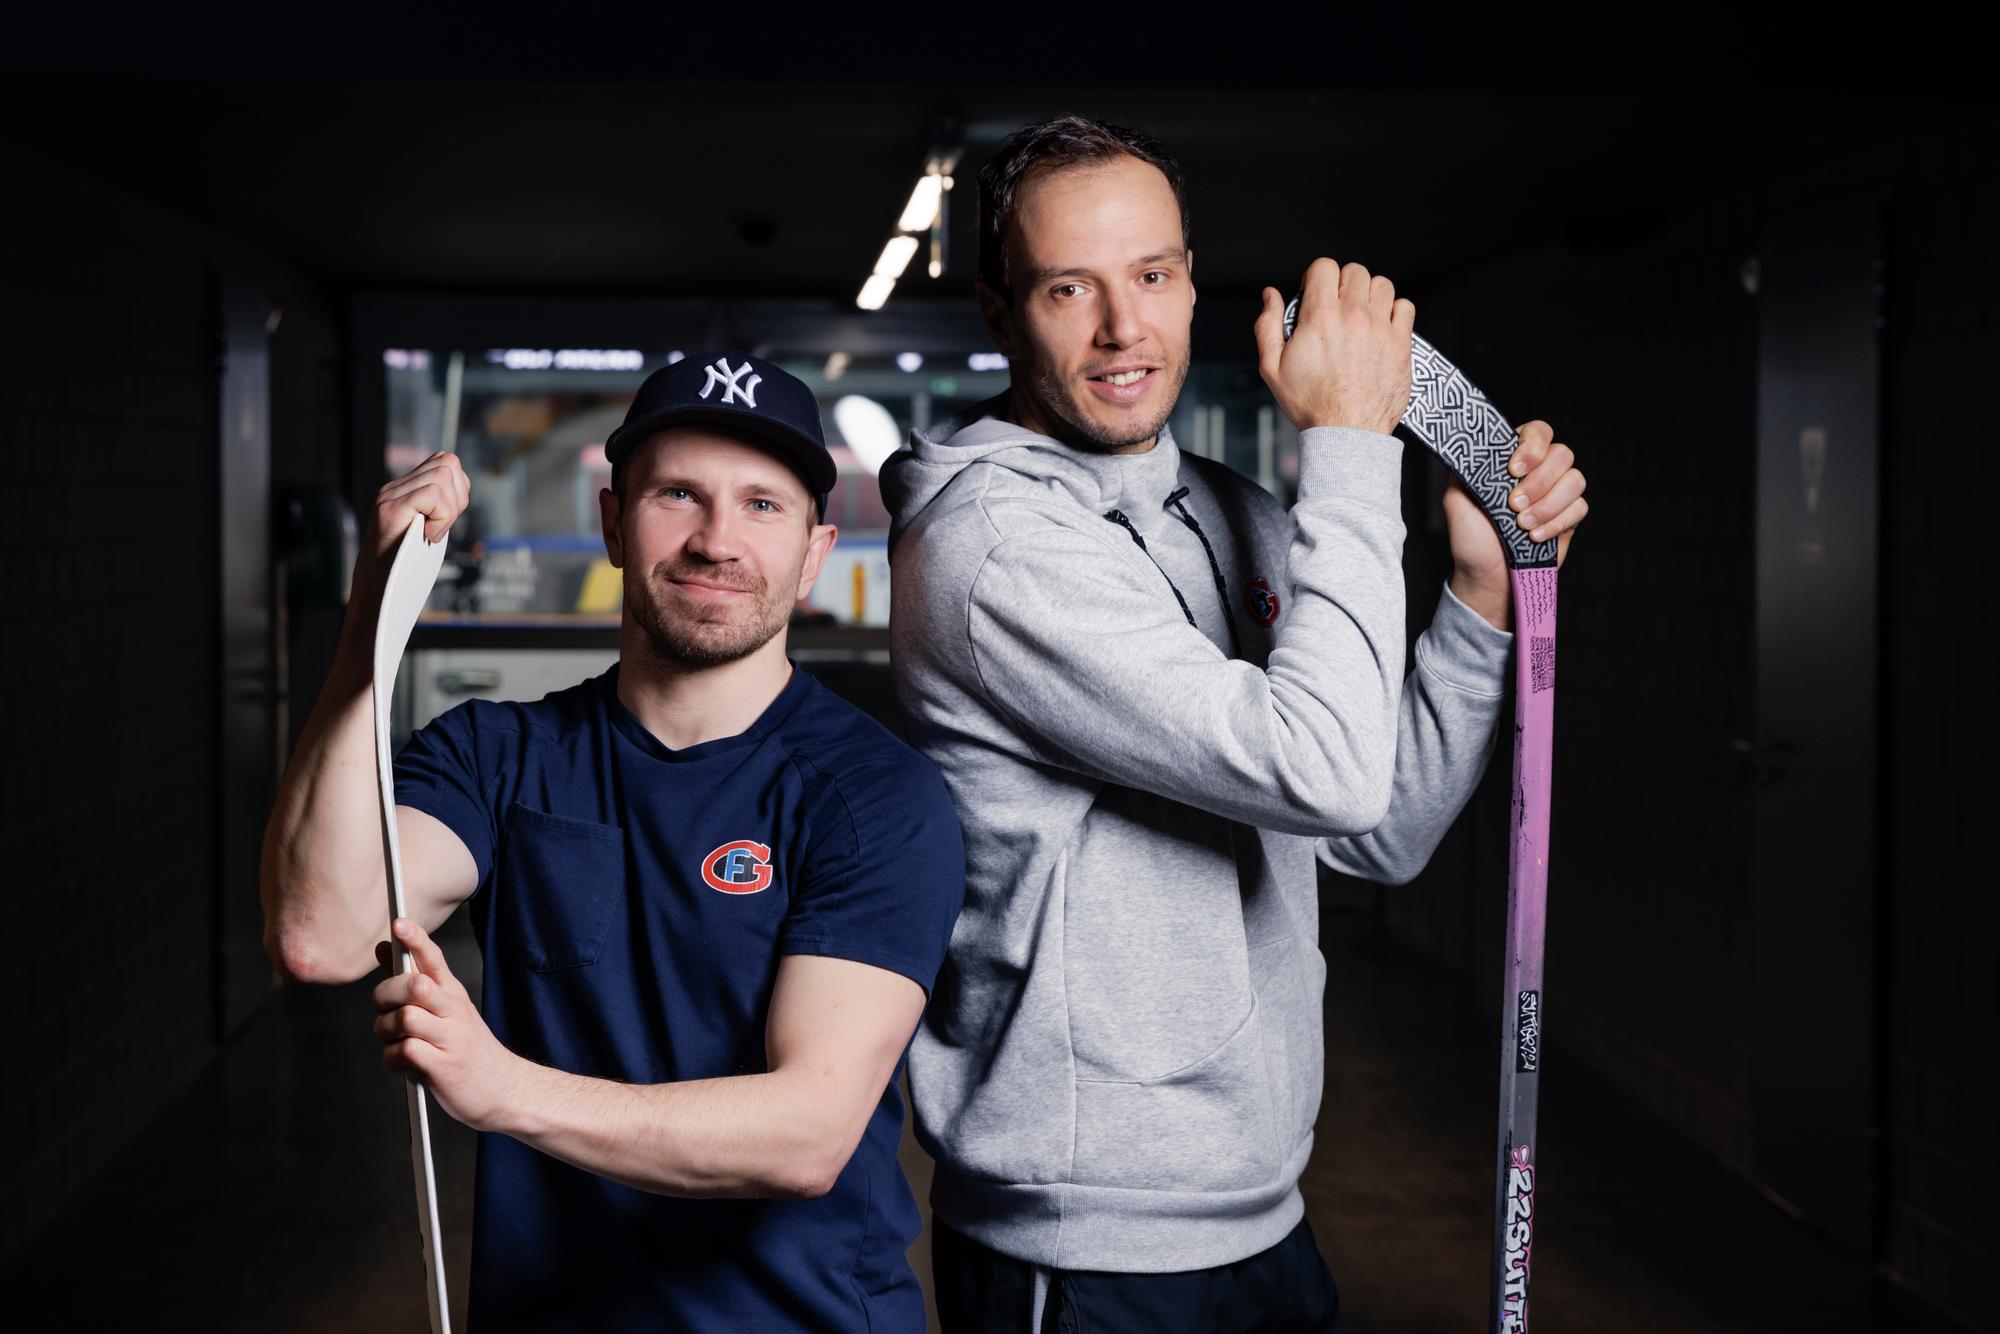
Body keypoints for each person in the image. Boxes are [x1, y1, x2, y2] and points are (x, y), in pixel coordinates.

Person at [881, 116, 1589, 1331]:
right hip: (1086, 1233)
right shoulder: (994, 549)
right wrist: (1354, 450)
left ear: (1190, 285)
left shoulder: (1231, 512)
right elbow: (1319, 770)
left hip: (1261, 1204)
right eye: (1068, 288)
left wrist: (1474, 594)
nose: (1122, 328)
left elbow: (1377, 825)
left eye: (1151, 275)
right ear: (1002, 317)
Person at [260, 351, 966, 1332]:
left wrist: (501, 1087)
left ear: (814, 551)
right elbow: (321, 934)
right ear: (611, 523)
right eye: (678, 493)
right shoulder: (497, 754)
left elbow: (807, 1131)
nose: (717, 539)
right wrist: (369, 622)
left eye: (762, 504)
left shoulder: (872, 795)